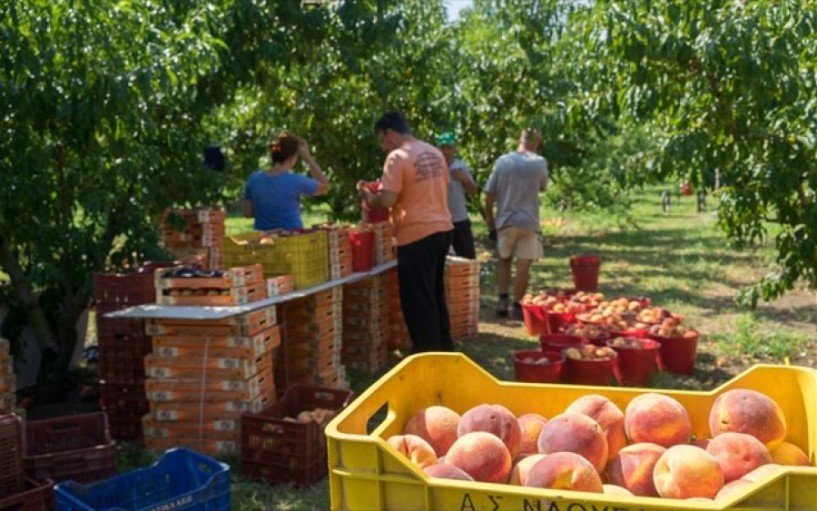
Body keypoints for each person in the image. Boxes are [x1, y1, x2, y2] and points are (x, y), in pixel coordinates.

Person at [358, 111, 454, 353]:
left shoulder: (397, 157)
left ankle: (427, 355)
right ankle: (444, 348)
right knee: (434, 294)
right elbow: (443, 187)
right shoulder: (434, 152)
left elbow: (388, 200)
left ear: (390, 133)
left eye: (382, 139)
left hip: (416, 234)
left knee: (418, 301)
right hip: (442, 228)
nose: (383, 146)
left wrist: (370, 197)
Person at [484, 128, 548, 318]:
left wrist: (489, 215)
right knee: (523, 265)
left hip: (506, 219)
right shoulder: (539, 162)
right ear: (536, 143)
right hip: (529, 221)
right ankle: (518, 305)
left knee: (504, 260)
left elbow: (489, 191)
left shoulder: (504, 161)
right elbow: (543, 187)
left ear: (520, 140)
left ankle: (502, 299)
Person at [243, 132, 329, 230]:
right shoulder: (296, 181)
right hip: (292, 241)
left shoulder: (254, 179)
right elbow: (325, 186)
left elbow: (248, 213)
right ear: (291, 158)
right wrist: (307, 157)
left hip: (264, 241)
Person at [436, 132, 478, 259]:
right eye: (442, 147)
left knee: (467, 257)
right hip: (440, 220)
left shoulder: (460, 166)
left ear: (454, 148)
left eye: (449, 147)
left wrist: (464, 179)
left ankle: (469, 279)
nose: (445, 151)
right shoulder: (434, 168)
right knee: (441, 259)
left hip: (459, 219)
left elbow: (473, 192)